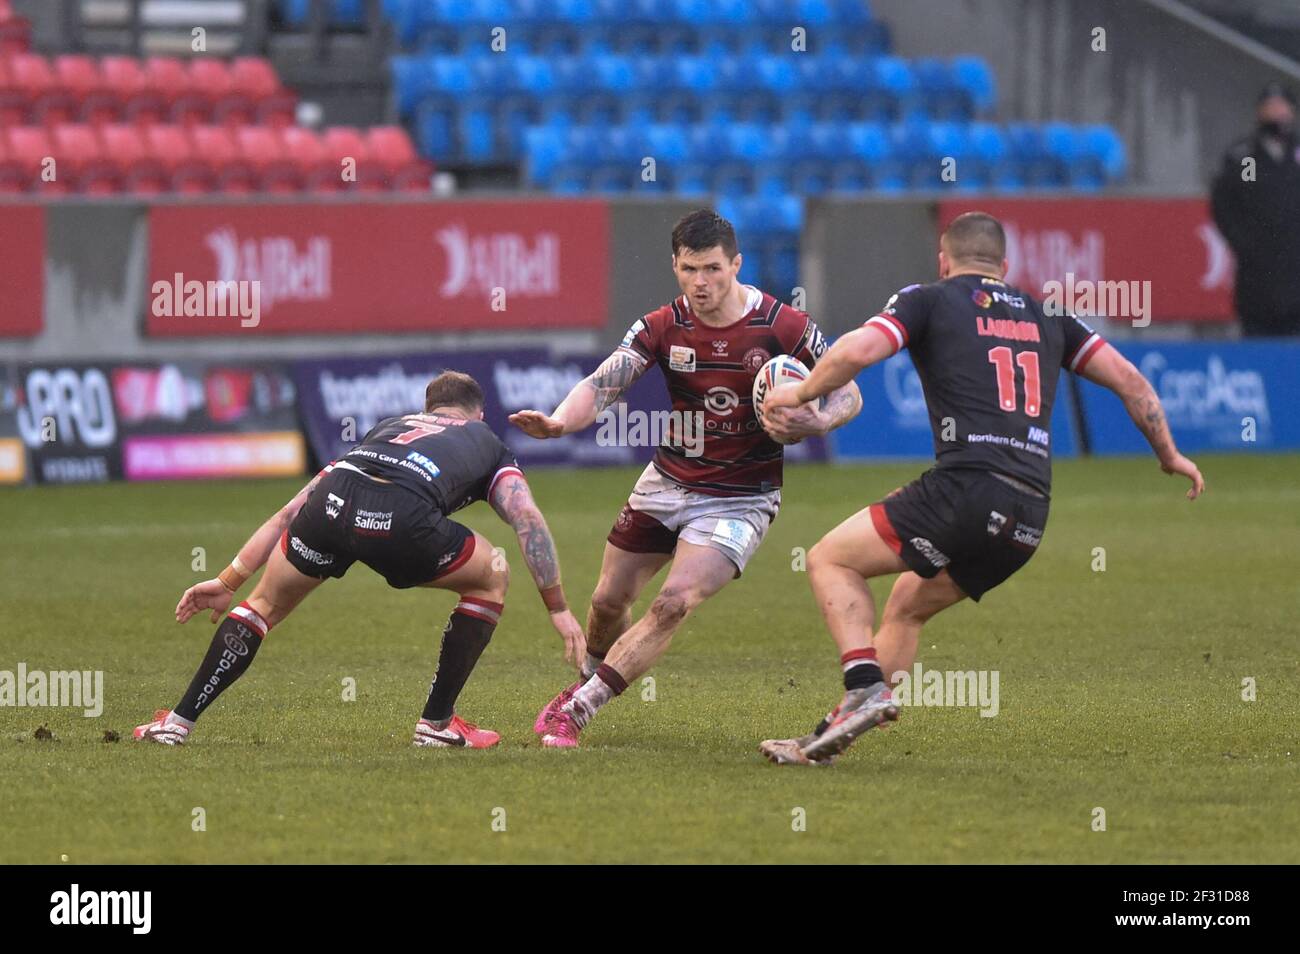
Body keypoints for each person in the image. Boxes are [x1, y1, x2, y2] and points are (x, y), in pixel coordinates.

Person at [758, 211, 1205, 765]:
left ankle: (864, 685)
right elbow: (1133, 384)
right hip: (1029, 513)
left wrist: (801, 396)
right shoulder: (1050, 315)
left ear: (944, 261)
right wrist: (1170, 455)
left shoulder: (929, 299)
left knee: (829, 559)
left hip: (966, 489)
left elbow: (856, 351)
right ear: (1006, 266)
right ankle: (833, 733)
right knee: (906, 606)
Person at [509, 209, 862, 747]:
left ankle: (579, 710)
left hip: (742, 498)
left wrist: (818, 419)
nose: (702, 282)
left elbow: (849, 392)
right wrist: (559, 422)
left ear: (737, 264)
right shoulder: (662, 325)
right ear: (675, 265)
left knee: (673, 602)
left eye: (714, 269)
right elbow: (604, 384)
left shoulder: (783, 326)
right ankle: (586, 680)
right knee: (607, 601)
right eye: (690, 269)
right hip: (667, 481)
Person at [134, 371, 585, 748]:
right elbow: (525, 516)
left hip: (334, 503)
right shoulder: (485, 439)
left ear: (427, 410)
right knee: (493, 576)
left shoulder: (388, 427)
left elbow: (290, 511)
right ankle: (436, 724)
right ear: (479, 413)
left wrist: (228, 580)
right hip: (402, 519)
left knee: (262, 606)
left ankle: (177, 723)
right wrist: (558, 607)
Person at [1211, 81, 1300, 336]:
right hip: (1258, 279)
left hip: (1296, 272)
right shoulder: (1244, 157)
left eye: (1281, 106)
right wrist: (1246, 243)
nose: (1277, 113)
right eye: (1270, 107)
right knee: (1259, 344)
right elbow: (1224, 205)